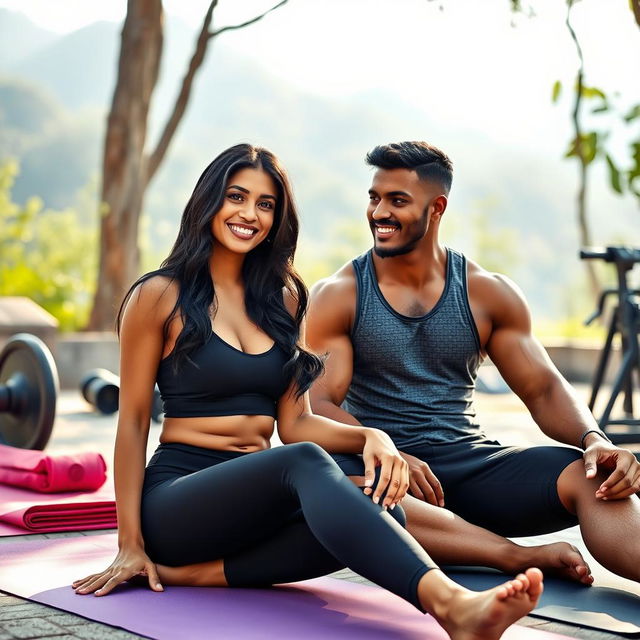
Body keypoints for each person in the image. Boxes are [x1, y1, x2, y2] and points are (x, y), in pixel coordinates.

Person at [72, 144, 543, 640]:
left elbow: (293, 422)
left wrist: (371, 438)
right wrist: (130, 543)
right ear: (209, 201)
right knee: (304, 461)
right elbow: (132, 422)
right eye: (236, 197)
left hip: (252, 503)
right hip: (177, 501)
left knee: (382, 506)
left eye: (266, 204)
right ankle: (451, 606)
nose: (249, 214)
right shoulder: (158, 296)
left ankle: (187, 576)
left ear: (277, 219)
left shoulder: (285, 298)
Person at [307, 140, 640, 584]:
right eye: (374, 197)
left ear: (436, 207)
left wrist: (595, 439)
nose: (379, 212)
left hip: (469, 466)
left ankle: (467, 538)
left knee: (593, 474)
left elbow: (543, 388)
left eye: (397, 200)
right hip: (380, 474)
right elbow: (317, 404)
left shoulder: (486, 292)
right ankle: (513, 556)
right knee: (333, 487)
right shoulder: (339, 294)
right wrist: (388, 450)